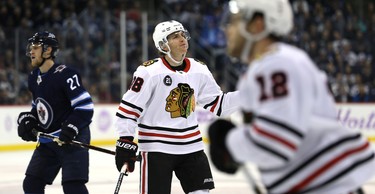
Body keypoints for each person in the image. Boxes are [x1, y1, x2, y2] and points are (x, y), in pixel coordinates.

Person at [207, 0, 375, 194]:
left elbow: (275, 142)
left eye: (235, 21)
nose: (228, 29)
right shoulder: (277, 63)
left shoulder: (275, 65)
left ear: (257, 25)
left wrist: (230, 142)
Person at [114, 20, 241, 194]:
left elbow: (220, 106)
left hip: (192, 147)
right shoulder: (149, 72)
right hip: (156, 150)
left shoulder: (199, 69)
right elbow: (128, 110)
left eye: (183, 35)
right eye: (175, 37)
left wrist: (249, 94)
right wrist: (125, 141)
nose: (182, 39)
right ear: (162, 45)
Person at [17, 31, 94, 194]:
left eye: (36, 47)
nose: (31, 51)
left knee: (73, 187)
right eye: (31, 47)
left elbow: (85, 107)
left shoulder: (66, 75)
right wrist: (29, 119)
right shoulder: (33, 77)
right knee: (31, 184)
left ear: (48, 50)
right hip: (48, 139)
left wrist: (71, 127)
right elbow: (38, 107)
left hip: (73, 137)